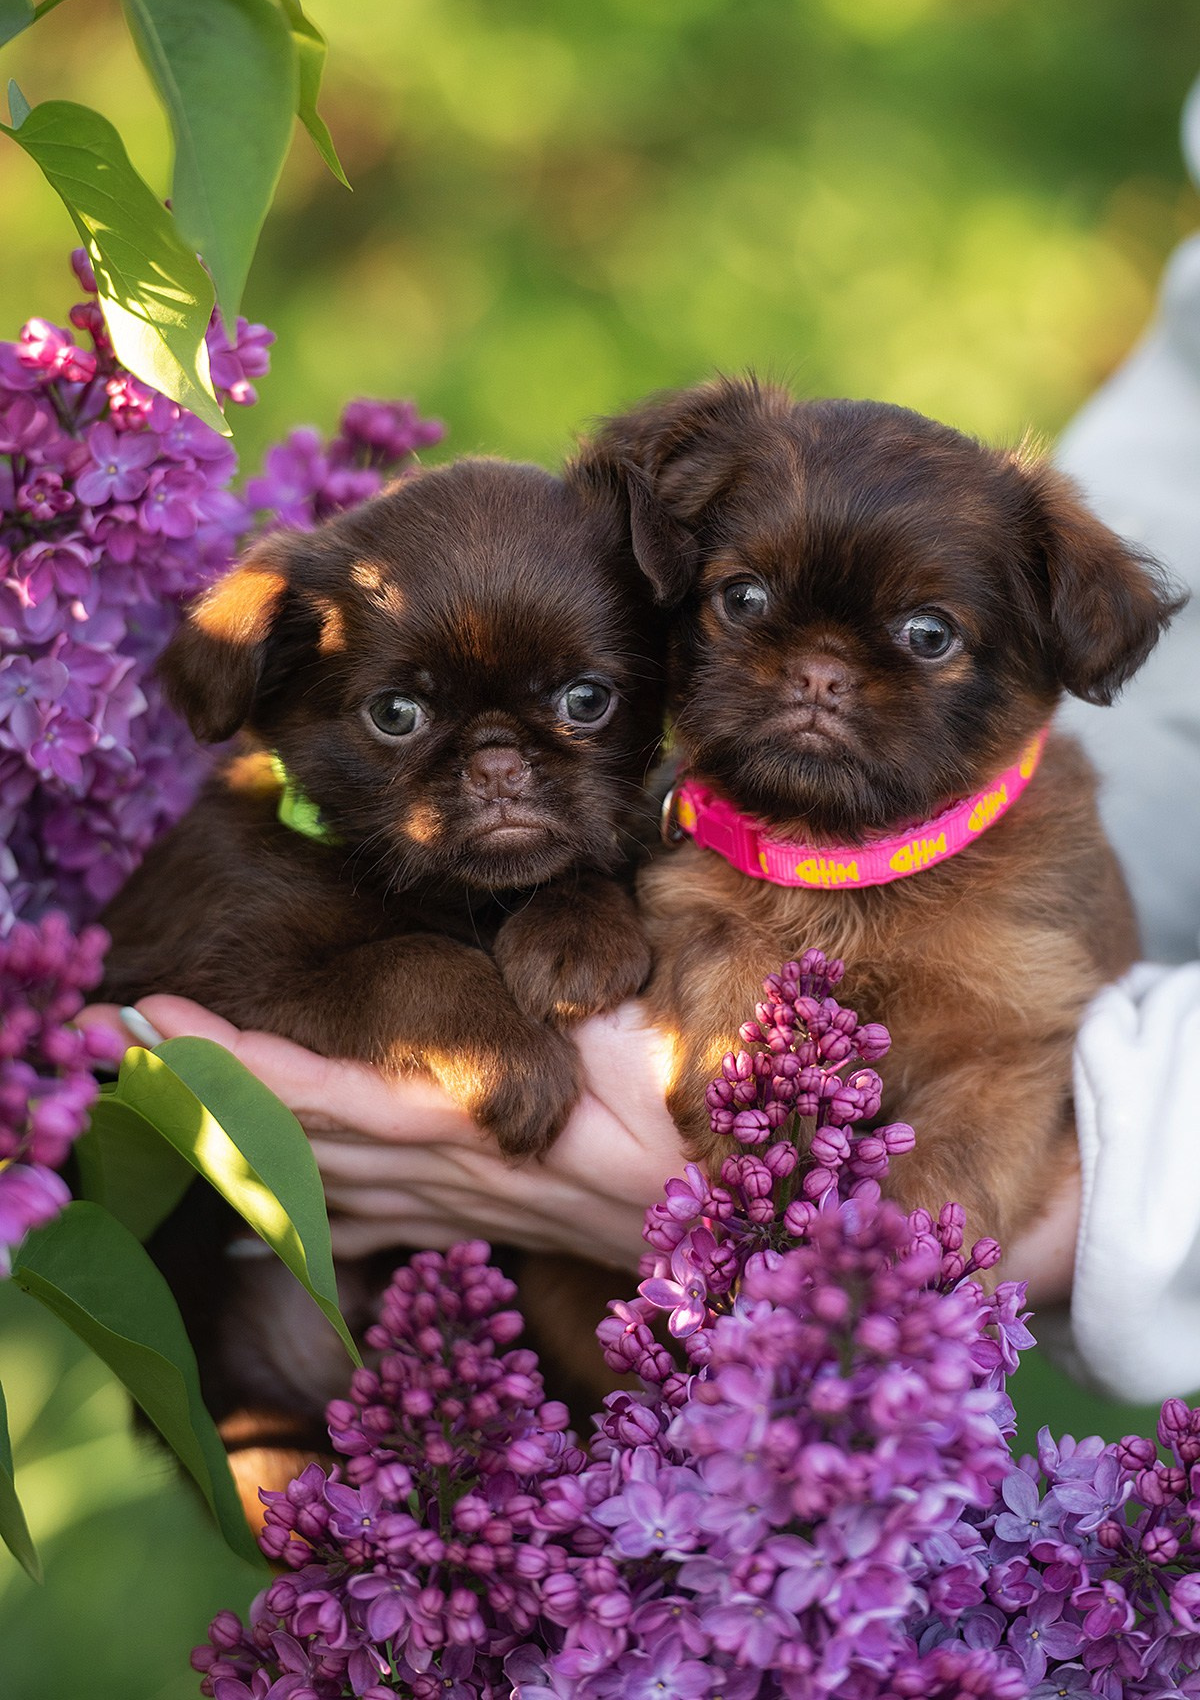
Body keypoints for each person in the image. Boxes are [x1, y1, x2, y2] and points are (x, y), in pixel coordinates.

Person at [81, 74, 1200, 1410]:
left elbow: (1012, 1066)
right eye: (744, 607)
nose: (818, 679)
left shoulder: (1021, 863)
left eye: (923, 641)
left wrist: (834, 1280)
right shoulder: (643, 830)